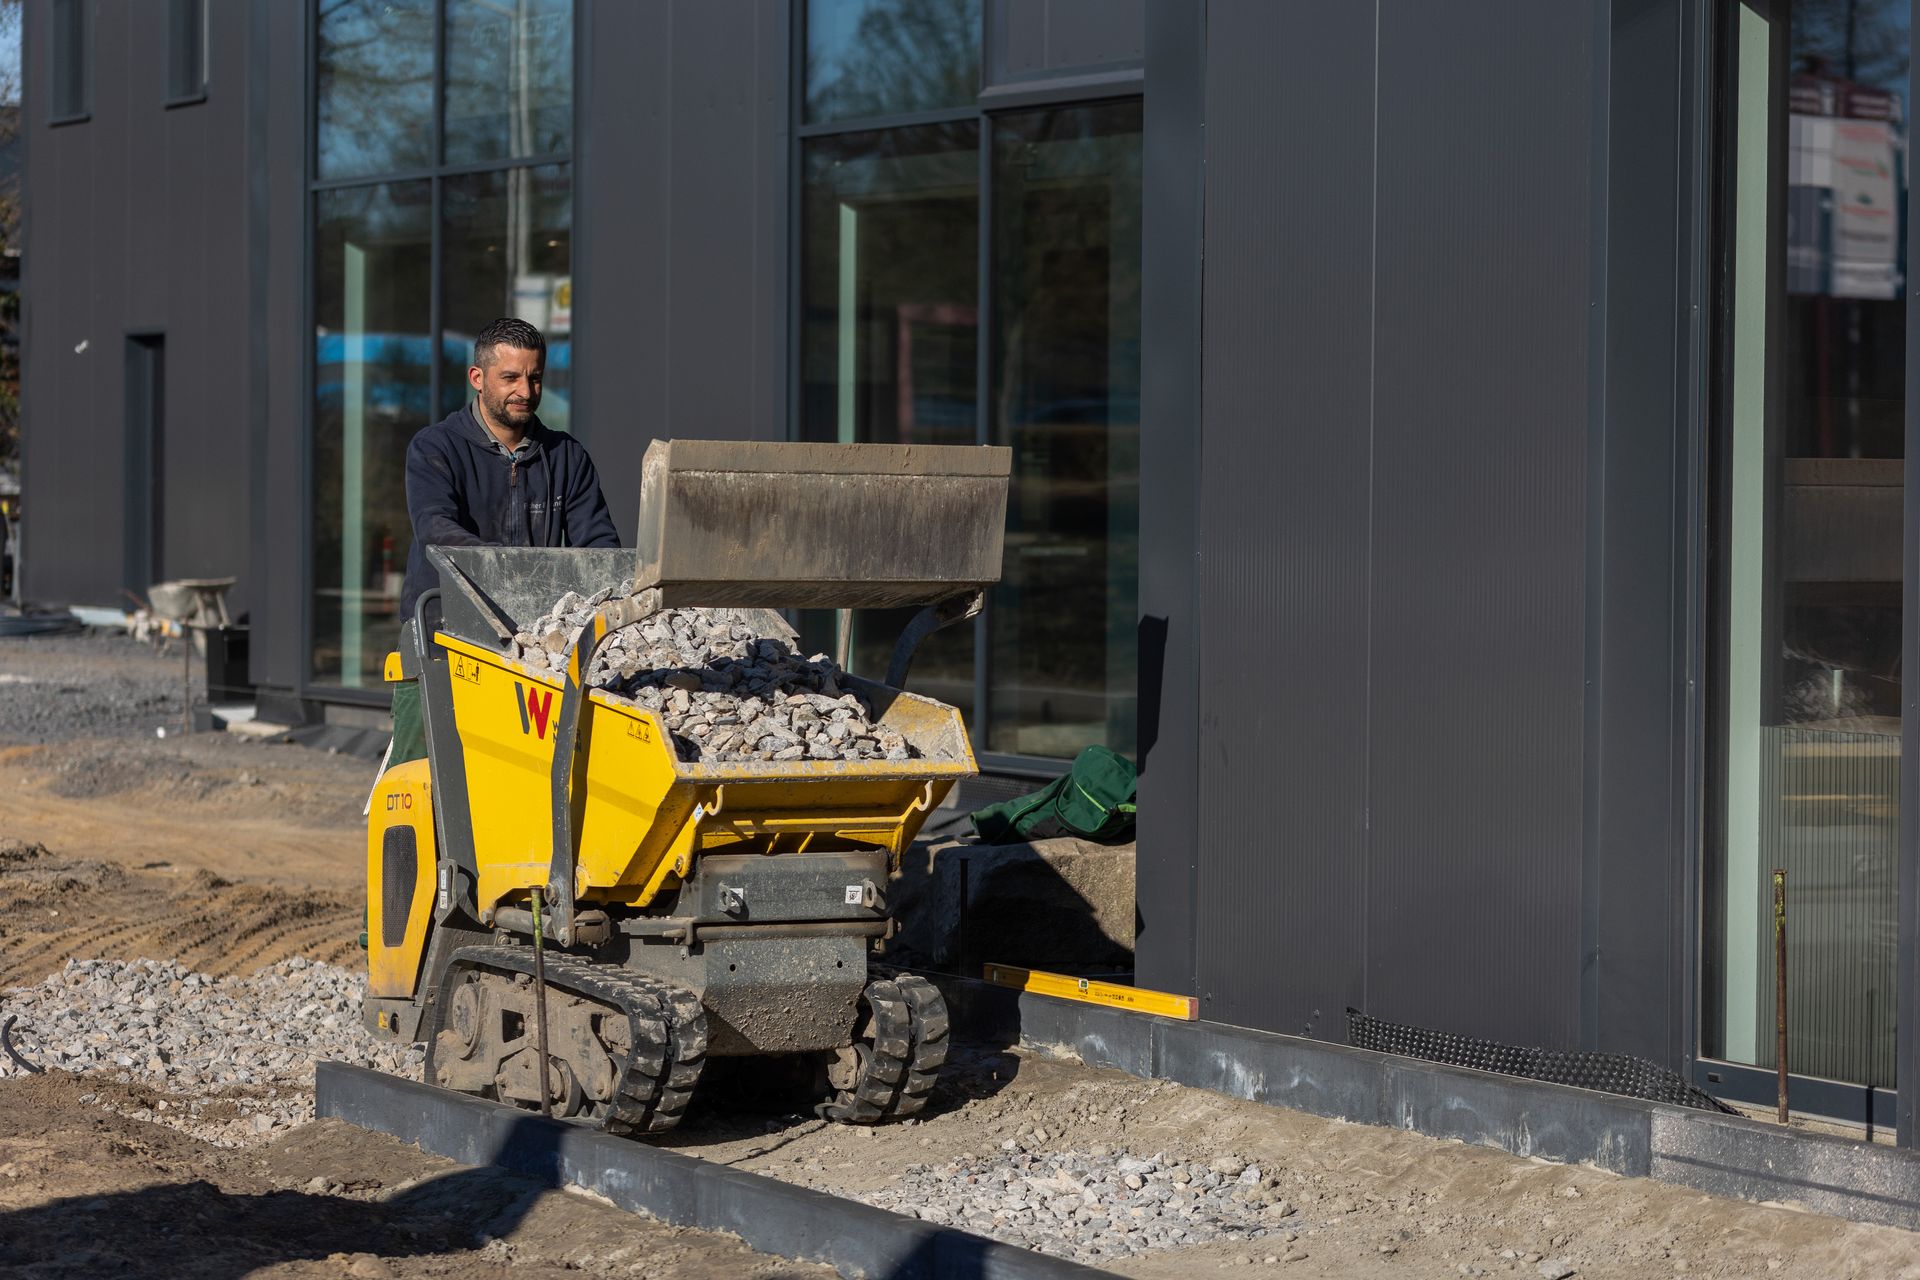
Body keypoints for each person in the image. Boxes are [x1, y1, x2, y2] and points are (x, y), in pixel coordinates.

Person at [389, 317, 619, 763]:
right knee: (422, 771)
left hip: (536, 650)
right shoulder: (435, 448)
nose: (526, 391)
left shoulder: (567, 457)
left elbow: (601, 548)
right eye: (510, 377)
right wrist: (518, 571)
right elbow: (436, 530)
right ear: (477, 378)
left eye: (535, 378)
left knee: (517, 780)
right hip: (441, 634)